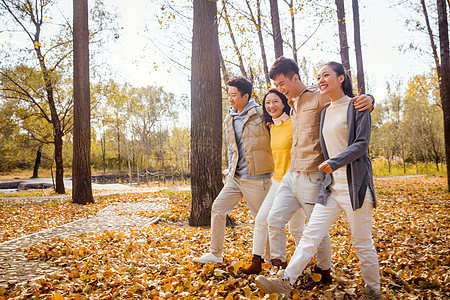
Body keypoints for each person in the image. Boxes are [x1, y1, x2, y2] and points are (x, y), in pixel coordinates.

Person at [255, 61, 381, 300]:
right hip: (330, 187)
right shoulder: (318, 108)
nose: (322, 80)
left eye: (327, 75)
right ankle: (285, 280)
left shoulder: (350, 106)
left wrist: (370, 99)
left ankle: (374, 290)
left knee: (361, 243)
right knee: (310, 234)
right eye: (319, 76)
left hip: (355, 187)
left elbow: (362, 143)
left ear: (341, 77)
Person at [193, 76, 274, 264]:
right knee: (218, 209)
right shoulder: (229, 118)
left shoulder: (261, 114)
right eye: (229, 94)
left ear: (246, 96)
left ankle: (271, 259)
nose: (230, 98)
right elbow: (232, 148)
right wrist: (230, 170)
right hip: (235, 178)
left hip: (257, 178)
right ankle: (216, 254)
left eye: (234, 95)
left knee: (262, 220)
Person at [238, 89, 306, 275]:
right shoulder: (271, 126)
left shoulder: (295, 122)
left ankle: (304, 264)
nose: (271, 106)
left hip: (296, 182)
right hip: (277, 181)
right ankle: (257, 262)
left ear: (284, 103)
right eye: (267, 103)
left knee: (296, 228)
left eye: (275, 101)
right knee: (261, 220)